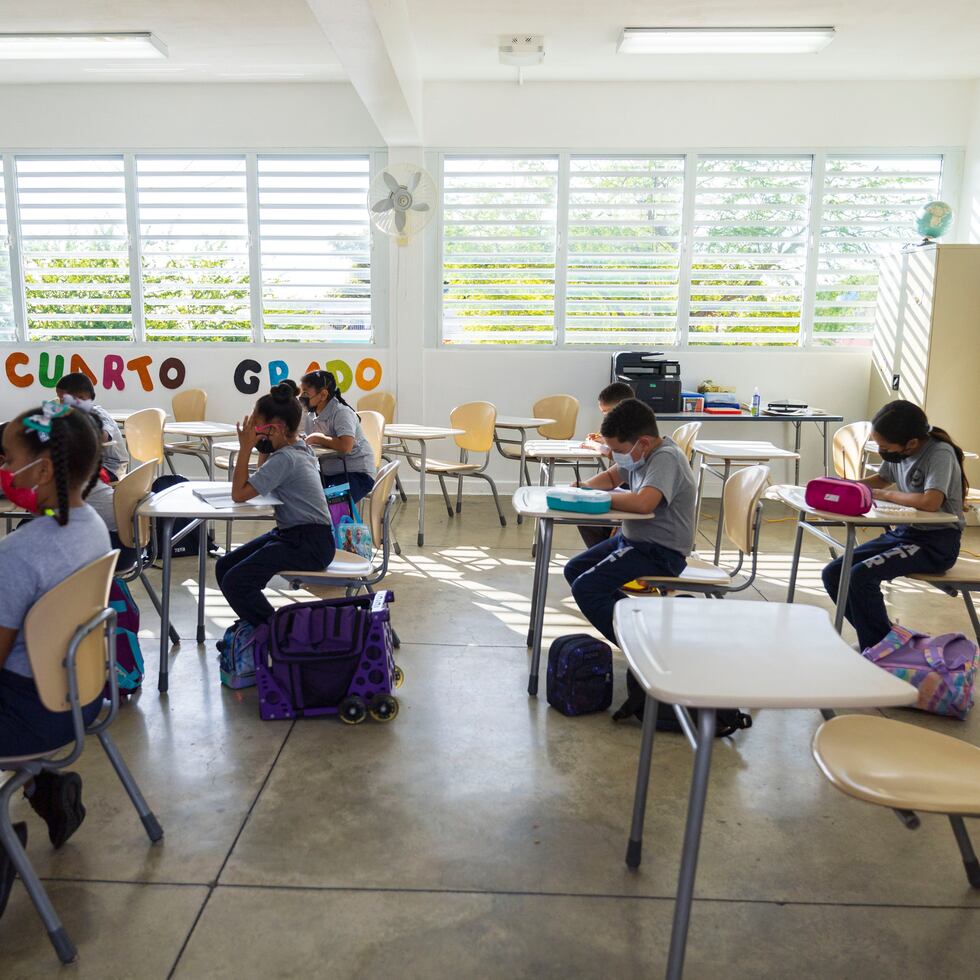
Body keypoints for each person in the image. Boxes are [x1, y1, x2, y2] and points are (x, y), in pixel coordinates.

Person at [0, 402, 111, 913]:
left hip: (31, 717)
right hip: (82, 698)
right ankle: (51, 791)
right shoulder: (91, 527)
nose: (4, 469)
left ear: (42, 469)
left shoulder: (20, 553)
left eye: (8, 458)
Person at [822, 400, 966, 651]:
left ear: (911, 443)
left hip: (936, 543)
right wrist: (847, 487)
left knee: (860, 577)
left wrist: (885, 496)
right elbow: (882, 478)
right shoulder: (900, 451)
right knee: (834, 573)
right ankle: (882, 642)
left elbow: (931, 502)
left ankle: (880, 648)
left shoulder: (939, 453)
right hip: (906, 533)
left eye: (884, 446)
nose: (881, 450)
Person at [564, 398, 696, 644]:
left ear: (643, 442)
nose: (617, 457)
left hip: (659, 552)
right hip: (633, 542)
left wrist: (600, 497)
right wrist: (585, 488)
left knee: (587, 588)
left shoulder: (666, 457)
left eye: (620, 451)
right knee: (575, 570)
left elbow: (643, 503)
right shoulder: (640, 454)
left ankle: (639, 647)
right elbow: (611, 477)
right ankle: (640, 626)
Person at [216, 383, 335, 628]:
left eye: (257, 428)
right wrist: (261, 444)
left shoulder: (287, 458)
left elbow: (239, 494)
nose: (253, 432)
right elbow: (263, 476)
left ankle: (274, 633)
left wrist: (246, 447)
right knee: (225, 566)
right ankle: (255, 622)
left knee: (235, 581)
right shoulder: (297, 446)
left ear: (277, 429)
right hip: (297, 535)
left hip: (309, 543)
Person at [299, 370, 376, 503]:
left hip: (356, 474)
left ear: (323, 394)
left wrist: (318, 438)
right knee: (300, 494)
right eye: (301, 392)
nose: (302, 397)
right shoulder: (311, 415)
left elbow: (346, 446)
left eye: (306, 393)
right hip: (327, 473)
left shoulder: (341, 413)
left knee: (331, 503)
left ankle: (337, 523)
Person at [577, 381, 636, 549]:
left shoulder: (636, 430)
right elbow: (614, 474)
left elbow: (622, 455)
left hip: (632, 490)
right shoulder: (625, 427)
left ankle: (606, 553)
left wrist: (597, 446)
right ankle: (604, 553)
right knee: (585, 514)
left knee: (590, 516)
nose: (606, 417)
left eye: (607, 412)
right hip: (624, 483)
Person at [55, 372, 126, 481]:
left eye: (63, 399)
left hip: (110, 467)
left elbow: (103, 436)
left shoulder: (98, 414)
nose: (61, 403)